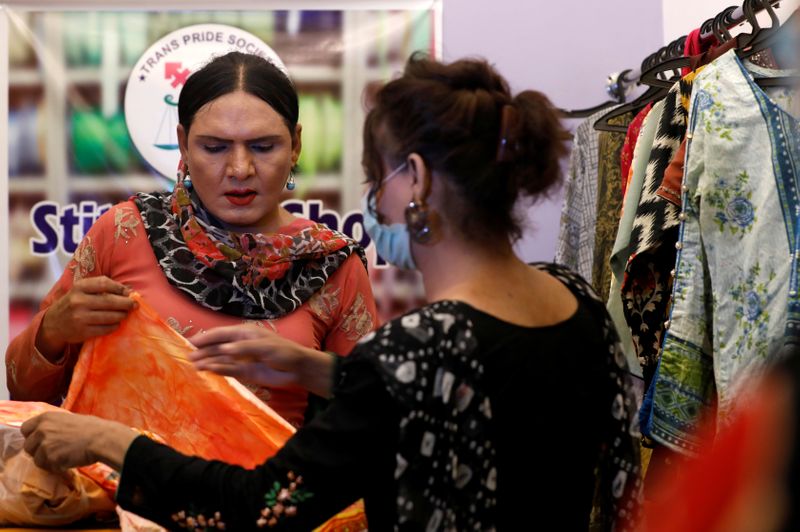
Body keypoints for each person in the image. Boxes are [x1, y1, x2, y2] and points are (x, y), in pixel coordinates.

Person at [21, 54, 642, 530]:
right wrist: (321, 370)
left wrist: (111, 442)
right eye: (216, 147)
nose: (239, 169)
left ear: (416, 179)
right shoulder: (579, 303)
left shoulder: (410, 346)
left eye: (378, 176)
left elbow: (256, 508)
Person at [5, 51, 377, 429]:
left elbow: (374, 417)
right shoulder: (125, 231)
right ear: (183, 143)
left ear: (295, 144)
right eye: (213, 148)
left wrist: (309, 369)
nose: (239, 169)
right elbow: (21, 389)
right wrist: (53, 331)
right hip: (115, 482)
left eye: (264, 147)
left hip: (263, 486)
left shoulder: (332, 264)